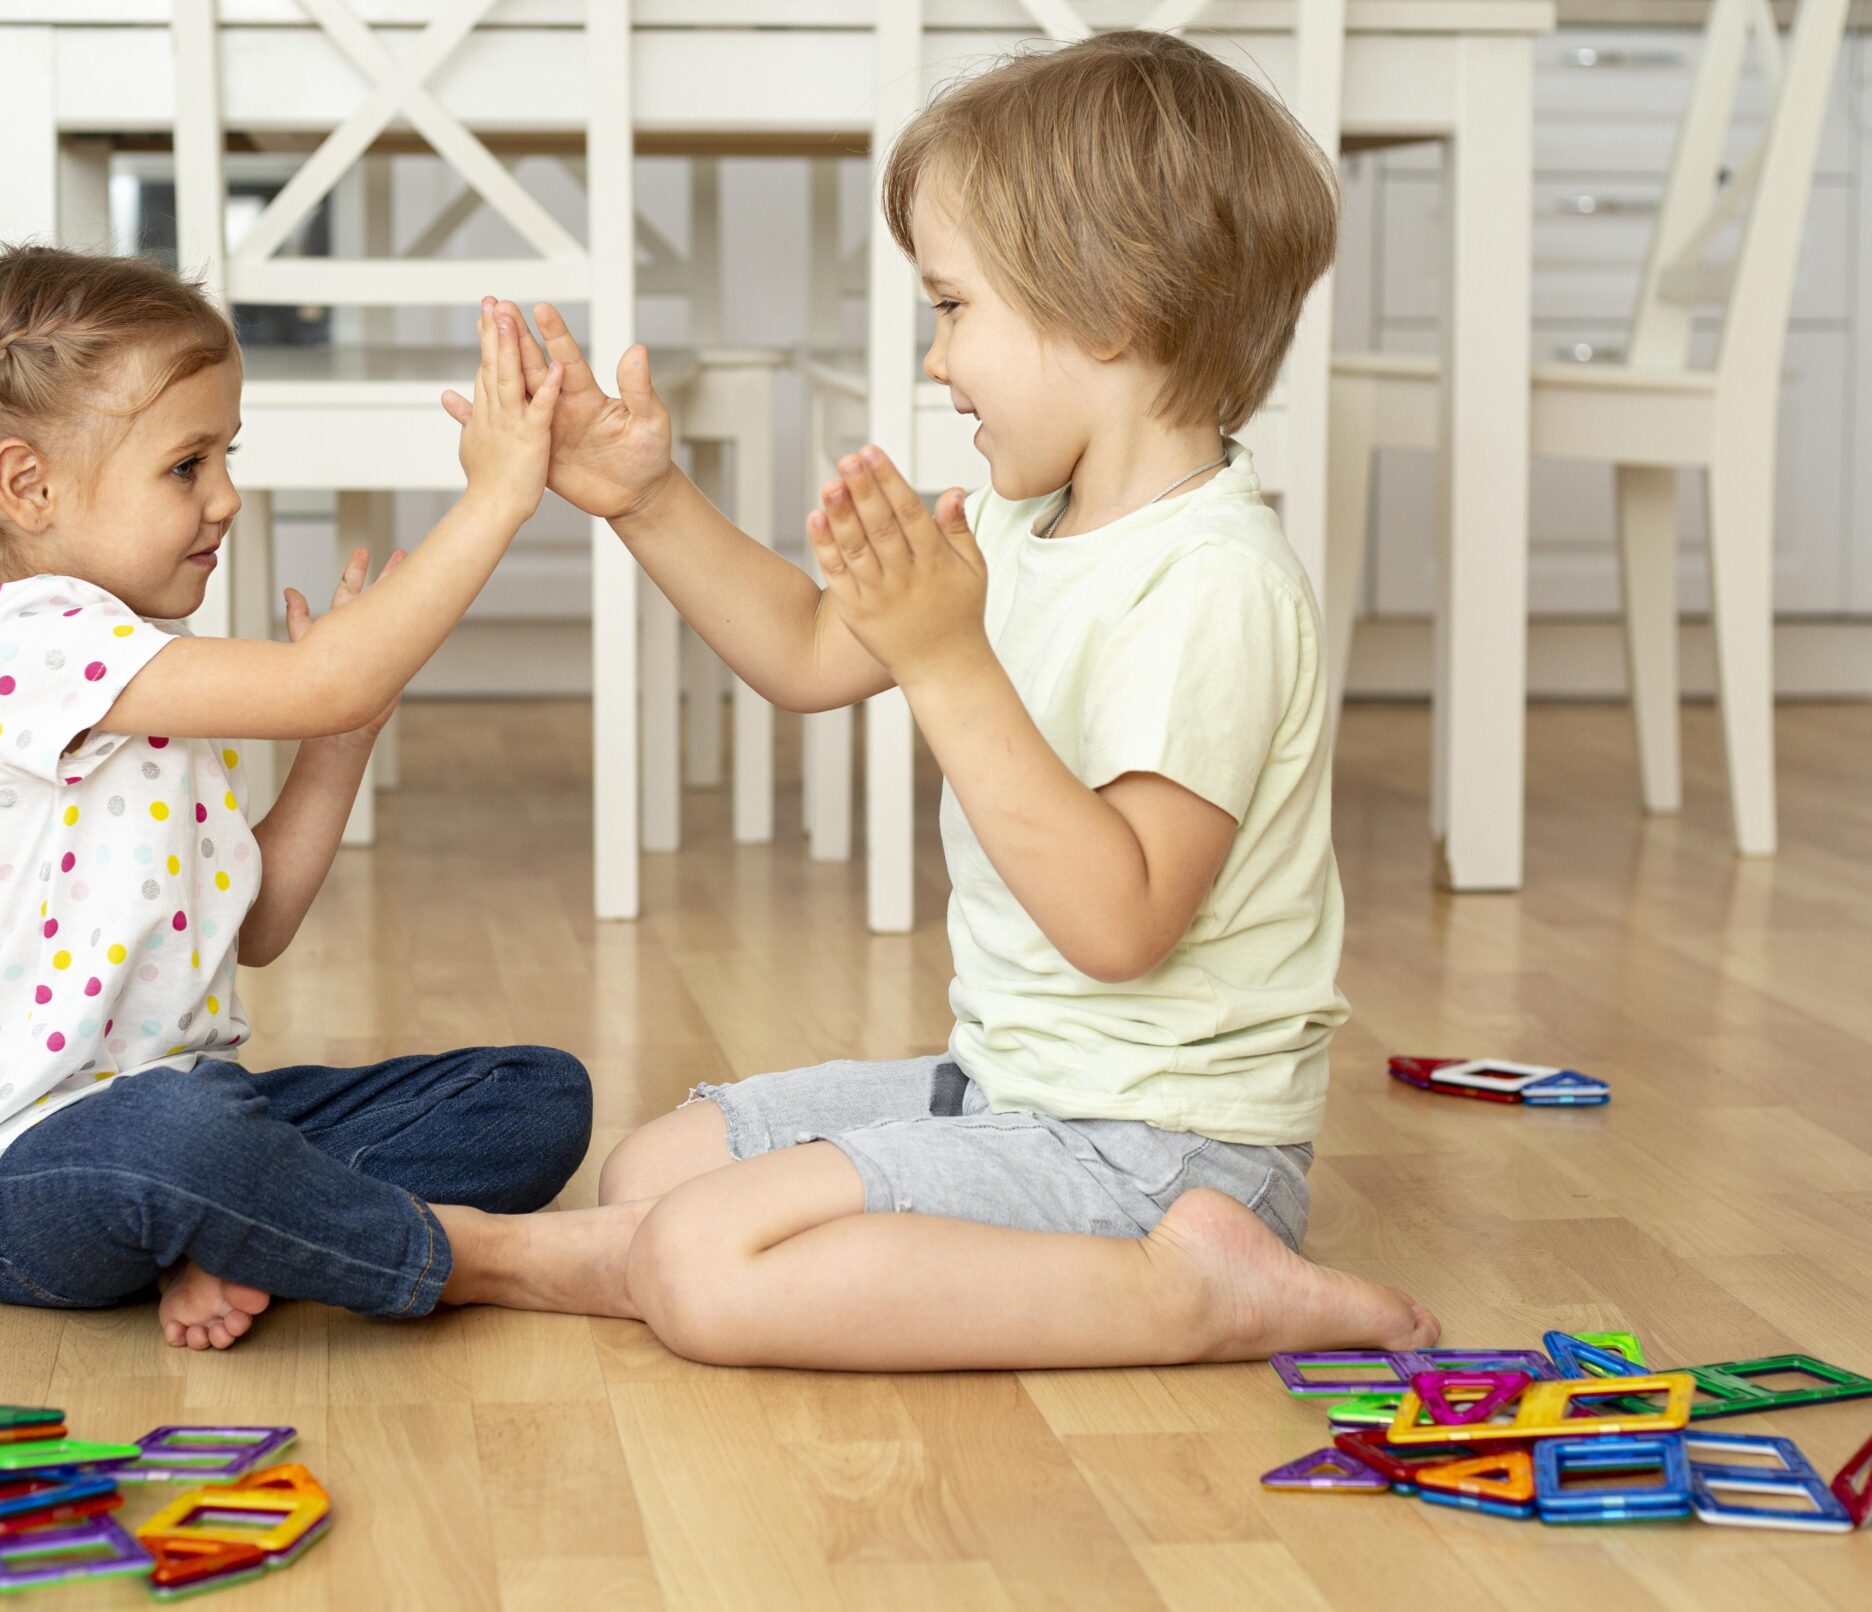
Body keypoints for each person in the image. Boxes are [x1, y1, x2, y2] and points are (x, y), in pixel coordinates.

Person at [428, 31, 1440, 1368]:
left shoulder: (1215, 584)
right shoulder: (1024, 523)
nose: (936, 359)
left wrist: (950, 660)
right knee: (654, 1173)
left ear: (1106, 313)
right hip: (1018, 1093)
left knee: (704, 1261)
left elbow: (1121, 920)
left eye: (955, 307)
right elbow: (802, 649)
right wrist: (647, 500)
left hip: (1164, 1154)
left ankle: (1202, 1289)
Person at [0, 247, 591, 1349]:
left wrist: (339, 746)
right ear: (28, 486)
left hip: (190, 1123)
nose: (227, 496)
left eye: (226, 455)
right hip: (21, 1184)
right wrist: (496, 497)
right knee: (188, 1129)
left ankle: (243, 1231)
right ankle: (466, 1261)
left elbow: (255, 928)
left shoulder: (137, 671)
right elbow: (325, 677)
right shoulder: (21, 640)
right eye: (185, 466)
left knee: (535, 1095)